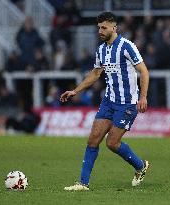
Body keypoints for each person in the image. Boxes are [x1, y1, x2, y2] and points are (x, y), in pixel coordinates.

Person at [60, 12, 150, 191]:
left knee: (112, 143)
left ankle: (141, 166)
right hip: (108, 101)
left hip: (127, 103)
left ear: (114, 27)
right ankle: (82, 183)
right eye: (99, 28)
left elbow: (144, 71)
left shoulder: (127, 46)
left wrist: (143, 97)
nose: (100, 31)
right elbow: (95, 74)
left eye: (104, 27)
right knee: (93, 139)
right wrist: (75, 91)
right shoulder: (101, 49)